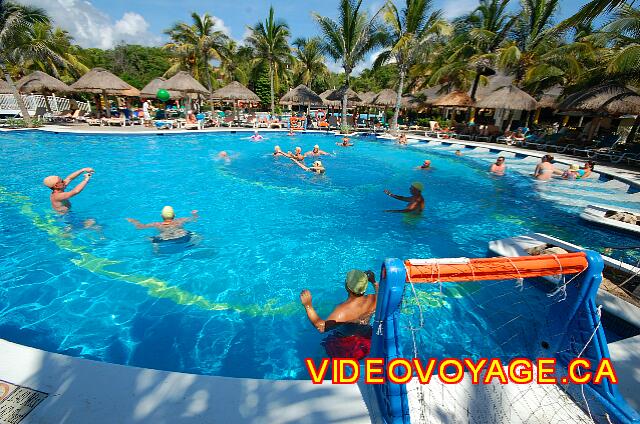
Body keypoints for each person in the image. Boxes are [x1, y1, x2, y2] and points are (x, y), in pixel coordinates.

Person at [300, 269, 378, 333]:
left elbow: (321, 327)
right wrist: (374, 282)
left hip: (347, 342)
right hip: (368, 335)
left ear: (347, 287)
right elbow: (382, 295)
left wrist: (308, 305)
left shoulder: (342, 311)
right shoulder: (374, 299)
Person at [126, 207, 198, 241]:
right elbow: (194, 220)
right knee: (197, 236)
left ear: (161, 216)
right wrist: (194, 214)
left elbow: (140, 227)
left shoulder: (157, 224)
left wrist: (133, 221)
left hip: (165, 237)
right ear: (174, 215)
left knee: (149, 239)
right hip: (181, 234)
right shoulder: (180, 220)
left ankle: (156, 251)